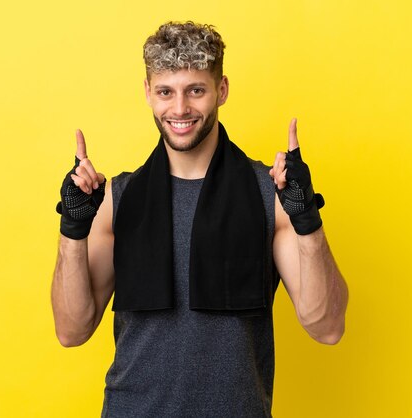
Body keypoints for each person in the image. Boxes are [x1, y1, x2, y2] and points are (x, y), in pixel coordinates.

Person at [51, 21, 348, 418]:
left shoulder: (270, 195)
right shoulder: (115, 199)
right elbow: (72, 331)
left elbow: (326, 326)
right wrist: (73, 228)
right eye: (165, 92)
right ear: (147, 93)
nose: (180, 109)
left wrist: (306, 217)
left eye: (195, 90)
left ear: (221, 90)